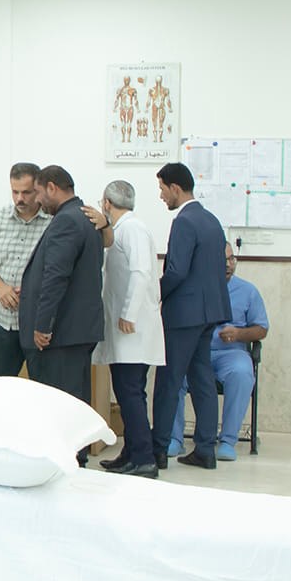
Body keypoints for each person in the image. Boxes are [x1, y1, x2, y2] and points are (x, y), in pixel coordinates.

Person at [151, 162, 230, 470]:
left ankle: (158, 450)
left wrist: (154, 294)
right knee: (202, 379)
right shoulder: (211, 220)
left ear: (175, 188)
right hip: (209, 312)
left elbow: (177, 271)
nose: (161, 196)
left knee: (169, 381)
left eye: (162, 189)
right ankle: (206, 449)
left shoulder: (184, 221)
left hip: (184, 314)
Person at [87, 181, 164, 476]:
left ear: (106, 203)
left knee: (130, 394)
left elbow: (141, 273)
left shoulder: (132, 229)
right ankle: (131, 453)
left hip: (133, 329)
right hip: (125, 330)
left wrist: (129, 313)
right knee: (129, 393)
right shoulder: (121, 230)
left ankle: (144, 459)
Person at [18, 166, 103, 425]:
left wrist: (42, 325)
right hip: (79, 330)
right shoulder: (86, 217)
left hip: (61, 334)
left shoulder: (66, 221)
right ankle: (78, 448)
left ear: (52, 188)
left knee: (58, 408)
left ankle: (66, 450)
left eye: (38, 192)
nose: (37, 200)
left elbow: (56, 277)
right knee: (75, 404)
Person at [170, 245, 270, 461]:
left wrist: (239, 333)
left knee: (242, 373)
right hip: (197, 352)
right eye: (222, 259)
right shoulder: (194, 288)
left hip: (231, 353)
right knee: (174, 374)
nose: (228, 264)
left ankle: (227, 441)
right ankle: (175, 439)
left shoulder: (248, 291)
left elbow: (261, 329)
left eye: (231, 259)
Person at [0, 162, 49, 379]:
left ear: (38, 189)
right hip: (5, 322)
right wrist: (0, 287)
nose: (20, 198)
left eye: (26, 192)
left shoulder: (54, 221)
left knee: (44, 387)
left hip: (39, 325)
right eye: (15, 192)